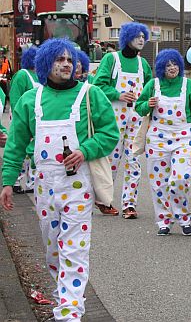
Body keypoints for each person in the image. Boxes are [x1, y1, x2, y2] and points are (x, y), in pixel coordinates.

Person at [1, 38, 118, 321]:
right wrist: (7, 180)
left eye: (70, 60)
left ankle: (69, 312)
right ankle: (65, 296)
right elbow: (16, 143)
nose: (66, 64)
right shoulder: (32, 100)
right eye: (59, 59)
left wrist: (84, 151)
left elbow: (110, 133)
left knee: (75, 249)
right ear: (45, 64)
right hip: (44, 187)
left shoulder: (90, 95)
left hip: (78, 187)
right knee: (54, 250)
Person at [135, 49, 191, 236]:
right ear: (161, 67)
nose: (172, 68)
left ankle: (183, 217)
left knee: (180, 179)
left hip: (183, 137)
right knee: (159, 183)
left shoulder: (188, 85)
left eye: (175, 64)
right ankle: (164, 221)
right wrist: (146, 105)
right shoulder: (153, 85)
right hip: (157, 138)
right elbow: (138, 108)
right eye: (167, 65)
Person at [93, 22, 153, 218]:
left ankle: (129, 204)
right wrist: (118, 94)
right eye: (137, 36)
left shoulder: (143, 64)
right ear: (127, 38)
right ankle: (104, 200)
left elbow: (150, 89)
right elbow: (98, 86)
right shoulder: (111, 60)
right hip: (113, 120)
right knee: (111, 161)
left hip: (136, 120)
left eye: (143, 36)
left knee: (134, 161)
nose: (142, 39)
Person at [8, 47, 40, 194]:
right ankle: (15, 181)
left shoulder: (40, 76)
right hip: (22, 118)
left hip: (36, 120)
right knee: (20, 149)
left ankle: (30, 183)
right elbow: (15, 97)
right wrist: (18, 118)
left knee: (32, 152)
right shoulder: (22, 74)